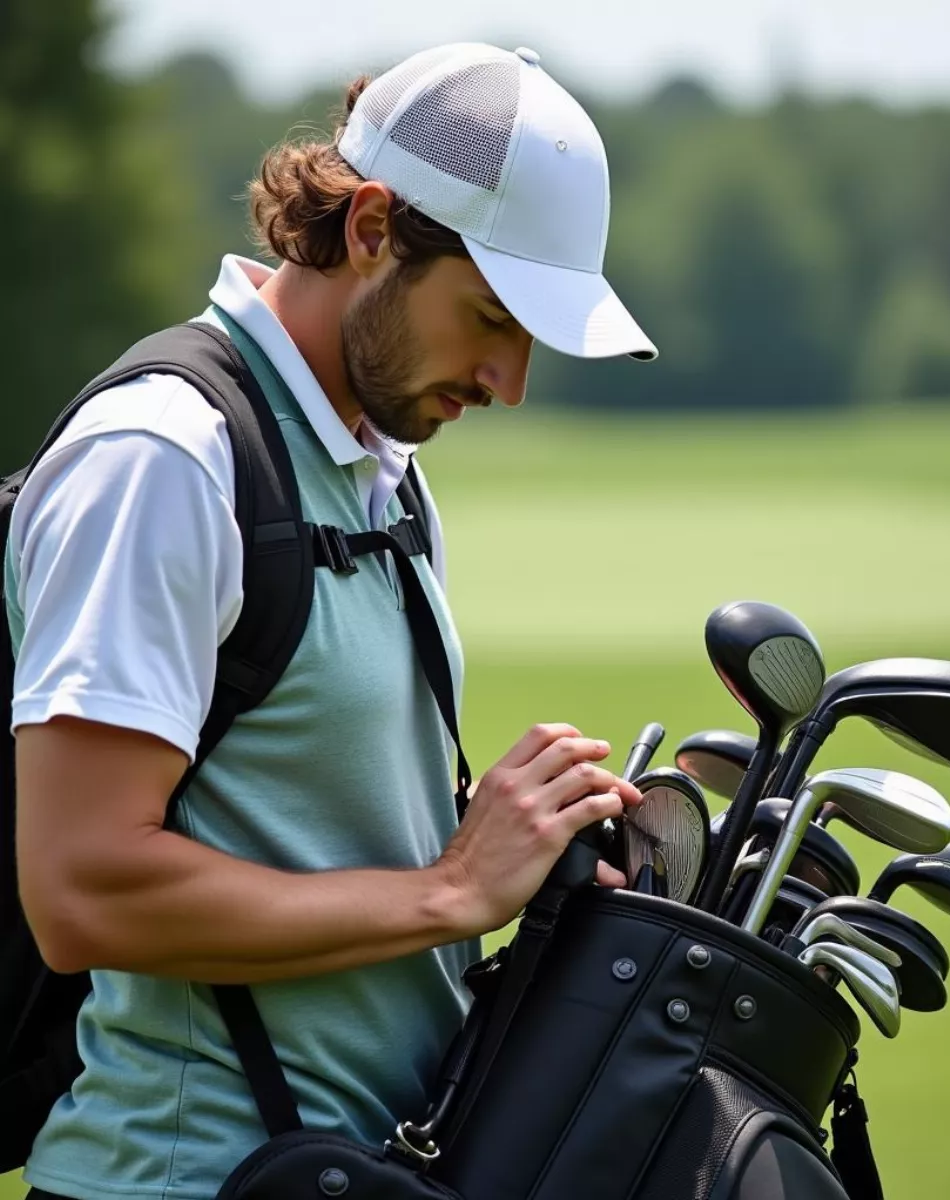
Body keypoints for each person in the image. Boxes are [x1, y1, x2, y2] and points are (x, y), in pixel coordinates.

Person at [8, 42, 656, 1200]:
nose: (509, 381)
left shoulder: (380, 469)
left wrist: (520, 838)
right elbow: (80, 889)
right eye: (492, 317)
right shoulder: (164, 457)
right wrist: (452, 889)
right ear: (369, 230)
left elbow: (291, 805)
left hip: (345, 1175)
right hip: (181, 1180)